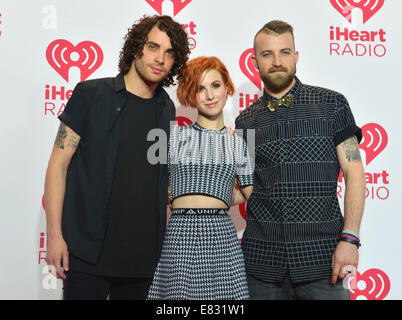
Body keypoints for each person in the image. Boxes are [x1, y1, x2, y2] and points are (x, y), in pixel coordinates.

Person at [43, 15, 190, 300]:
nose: (160, 58)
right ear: (136, 48)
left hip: (143, 260)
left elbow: (156, 174)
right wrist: (55, 235)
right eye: (153, 47)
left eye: (170, 52)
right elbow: (57, 165)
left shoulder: (165, 108)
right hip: (87, 254)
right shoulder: (92, 94)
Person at [235, 20, 366, 300]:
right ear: (255, 61)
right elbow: (245, 187)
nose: (277, 61)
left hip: (325, 260)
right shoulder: (245, 120)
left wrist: (350, 239)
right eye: (267, 54)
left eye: (285, 52)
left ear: (296, 57)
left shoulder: (332, 104)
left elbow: (355, 171)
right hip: (261, 265)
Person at [147, 56, 254, 300]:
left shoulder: (238, 142)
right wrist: (171, 193)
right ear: (190, 94)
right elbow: (150, 186)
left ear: (227, 88)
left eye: (215, 85)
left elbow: (251, 194)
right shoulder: (172, 138)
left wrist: (220, 196)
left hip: (221, 237)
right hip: (180, 234)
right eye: (200, 88)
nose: (210, 95)